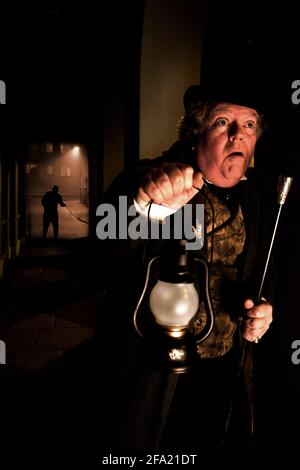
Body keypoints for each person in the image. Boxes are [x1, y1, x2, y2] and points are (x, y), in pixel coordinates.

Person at [99, 84, 275, 450]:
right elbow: (99, 254)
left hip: (226, 365)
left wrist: (261, 312)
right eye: (223, 121)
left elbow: (256, 274)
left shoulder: (259, 194)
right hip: (158, 375)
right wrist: (146, 206)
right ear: (196, 132)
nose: (237, 135)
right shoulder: (155, 179)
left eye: (249, 125)